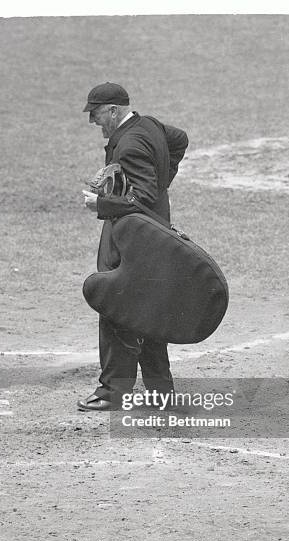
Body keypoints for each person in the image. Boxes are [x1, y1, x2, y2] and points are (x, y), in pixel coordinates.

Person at [79, 82, 189, 411]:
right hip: (156, 234)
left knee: (116, 306)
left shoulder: (128, 144)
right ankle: (160, 392)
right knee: (150, 311)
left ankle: (112, 392)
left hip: (135, 239)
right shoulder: (149, 124)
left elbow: (140, 197)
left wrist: (100, 203)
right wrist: (162, 179)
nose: (93, 122)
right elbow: (180, 139)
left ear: (113, 110)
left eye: (96, 114)